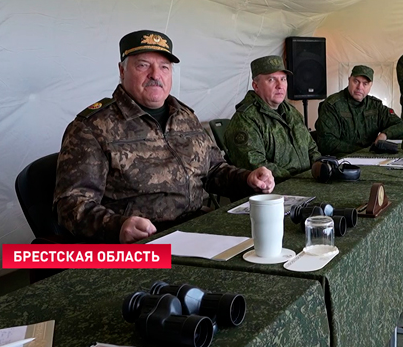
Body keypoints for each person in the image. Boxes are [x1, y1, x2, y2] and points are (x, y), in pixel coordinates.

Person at [54, 30, 274, 244]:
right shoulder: (92, 126)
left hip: (198, 230)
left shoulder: (185, 116)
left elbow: (214, 170)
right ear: (122, 71)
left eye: (164, 67)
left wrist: (248, 178)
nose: (155, 75)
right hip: (145, 243)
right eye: (143, 65)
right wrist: (117, 226)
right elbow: (71, 204)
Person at [225, 55, 321, 179]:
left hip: (307, 182)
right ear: (256, 86)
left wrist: (319, 167)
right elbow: (256, 166)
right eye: (271, 80)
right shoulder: (246, 119)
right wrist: (298, 179)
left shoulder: (291, 112)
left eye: (283, 79)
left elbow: (311, 147)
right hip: (276, 190)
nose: (280, 85)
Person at [316, 65, 403, 157]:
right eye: (356, 81)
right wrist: (363, 151)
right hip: (343, 160)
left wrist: (385, 135)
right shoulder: (332, 105)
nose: (360, 87)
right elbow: (326, 143)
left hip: (370, 159)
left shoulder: (375, 106)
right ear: (349, 80)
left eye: (365, 84)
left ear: (370, 86)